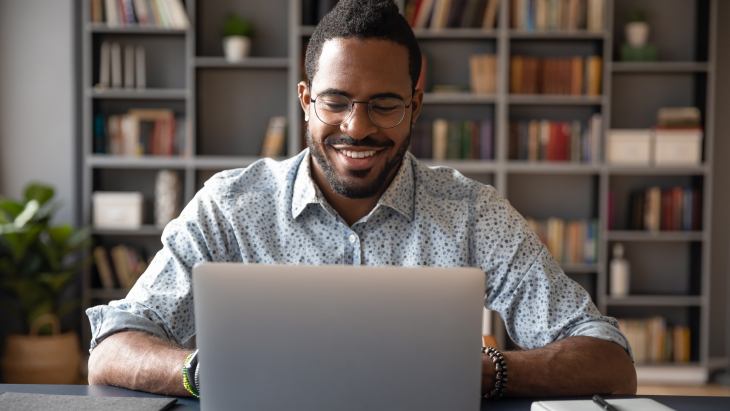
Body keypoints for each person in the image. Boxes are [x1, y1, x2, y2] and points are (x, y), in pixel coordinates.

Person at [87, 0, 636, 398]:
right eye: (336, 102)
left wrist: (491, 372)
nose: (357, 127)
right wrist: (207, 371)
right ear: (306, 101)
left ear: (416, 105)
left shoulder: (473, 212)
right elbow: (112, 347)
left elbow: (609, 361)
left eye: (385, 105)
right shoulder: (230, 206)